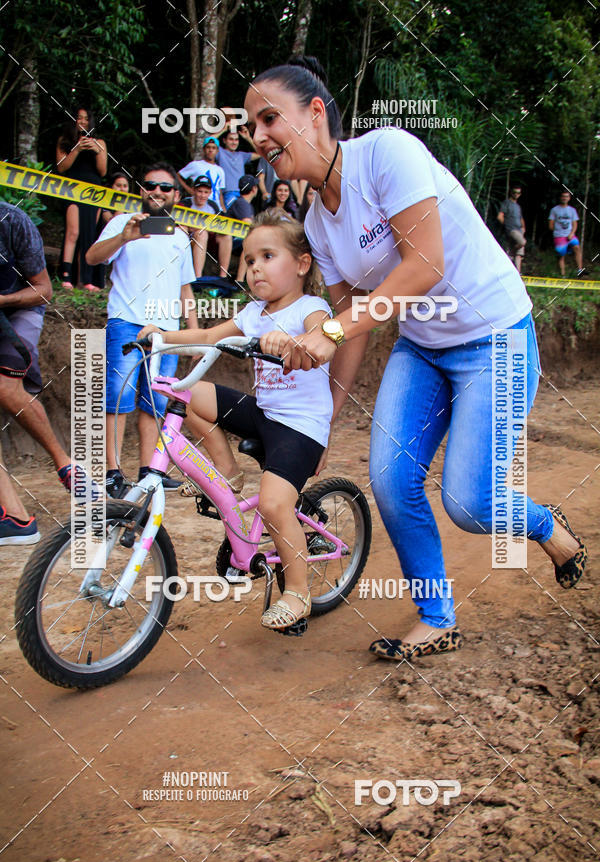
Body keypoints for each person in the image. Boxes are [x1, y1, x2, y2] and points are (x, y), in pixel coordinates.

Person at [244, 56, 588, 660]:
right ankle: (438, 618)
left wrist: (335, 325)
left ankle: (541, 525)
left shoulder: (387, 153)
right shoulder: (318, 225)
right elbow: (351, 330)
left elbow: (425, 264)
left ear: (316, 113)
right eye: (252, 127)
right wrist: (325, 411)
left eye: (270, 118)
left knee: (471, 502)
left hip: (496, 336)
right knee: (392, 479)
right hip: (423, 349)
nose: (259, 136)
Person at [137, 209, 333, 631]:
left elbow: (324, 338)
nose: (255, 267)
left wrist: (294, 340)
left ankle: (297, 594)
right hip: (263, 414)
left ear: (301, 264)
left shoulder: (311, 307)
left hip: (300, 428)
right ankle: (226, 468)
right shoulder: (252, 312)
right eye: (248, 260)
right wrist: (161, 336)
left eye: (267, 256)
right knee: (182, 390)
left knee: (274, 504)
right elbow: (209, 337)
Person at [86, 162, 198, 498]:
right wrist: (123, 237)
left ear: (176, 195)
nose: (158, 191)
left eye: (166, 187)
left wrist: (193, 337)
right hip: (127, 321)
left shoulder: (180, 236)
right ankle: (112, 474)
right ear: (141, 190)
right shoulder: (123, 222)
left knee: (157, 404)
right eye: (151, 184)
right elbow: (92, 258)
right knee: (117, 398)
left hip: (167, 331)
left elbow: (186, 290)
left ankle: (151, 471)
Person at [0, 202, 81, 544]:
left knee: (4, 385)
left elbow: (43, 290)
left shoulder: (12, 221)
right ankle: (16, 519)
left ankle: (65, 464)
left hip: (22, 304)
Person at [56, 106, 107, 291]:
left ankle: (85, 279)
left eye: (86, 119)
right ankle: (66, 275)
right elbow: (61, 167)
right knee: (73, 232)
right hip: (72, 189)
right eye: (79, 118)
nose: (83, 122)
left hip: (93, 191)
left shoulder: (99, 142)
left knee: (89, 234)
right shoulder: (65, 141)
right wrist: (76, 149)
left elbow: (103, 171)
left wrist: (97, 150)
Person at [182, 175, 232, 279]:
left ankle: (223, 276)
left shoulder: (212, 205)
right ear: (194, 190)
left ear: (210, 193)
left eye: (206, 192)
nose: (202, 195)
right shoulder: (185, 203)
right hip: (190, 240)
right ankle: (198, 277)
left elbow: (222, 226)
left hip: (210, 239)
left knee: (227, 237)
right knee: (202, 233)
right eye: (200, 191)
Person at [177, 138, 226, 211]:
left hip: (216, 209)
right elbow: (178, 175)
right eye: (208, 147)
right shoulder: (195, 165)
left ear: (217, 151)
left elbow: (220, 192)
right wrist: (190, 191)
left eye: (213, 148)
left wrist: (223, 209)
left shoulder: (220, 170)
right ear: (203, 149)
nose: (210, 150)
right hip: (200, 207)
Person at [216, 126, 260, 208]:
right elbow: (207, 141)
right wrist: (223, 130)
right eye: (231, 139)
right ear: (224, 140)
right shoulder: (220, 152)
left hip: (243, 194)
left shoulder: (241, 155)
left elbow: (261, 154)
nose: (234, 142)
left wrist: (248, 138)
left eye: (236, 139)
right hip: (228, 193)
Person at [226, 174, 258, 282]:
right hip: (232, 240)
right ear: (254, 189)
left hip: (235, 240)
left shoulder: (243, 203)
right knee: (250, 242)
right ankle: (239, 280)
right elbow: (248, 224)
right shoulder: (242, 203)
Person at [548, 191, 587, 277]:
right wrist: (558, 231)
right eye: (563, 196)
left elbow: (575, 224)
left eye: (566, 196)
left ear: (569, 198)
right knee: (561, 255)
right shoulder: (554, 210)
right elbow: (551, 224)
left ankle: (579, 270)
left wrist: (572, 233)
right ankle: (563, 275)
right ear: (560, 197)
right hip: (559, 236)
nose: (564, 198)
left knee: (577, 247)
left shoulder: (572, 210)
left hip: (570, 235)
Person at [497, 186, 526, 273]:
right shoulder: (506, 203)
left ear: (520, 194)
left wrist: (523, 228)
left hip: (519, 230)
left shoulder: (518, 206)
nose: (516, 194)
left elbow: (521, 218)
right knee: (522, 242)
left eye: (518, 193)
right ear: (511, 192)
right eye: (514, 192)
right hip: (511, 230)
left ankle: (517, 273)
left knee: (519, 254)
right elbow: (500, 216)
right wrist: (506, 226)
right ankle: (510, 252)